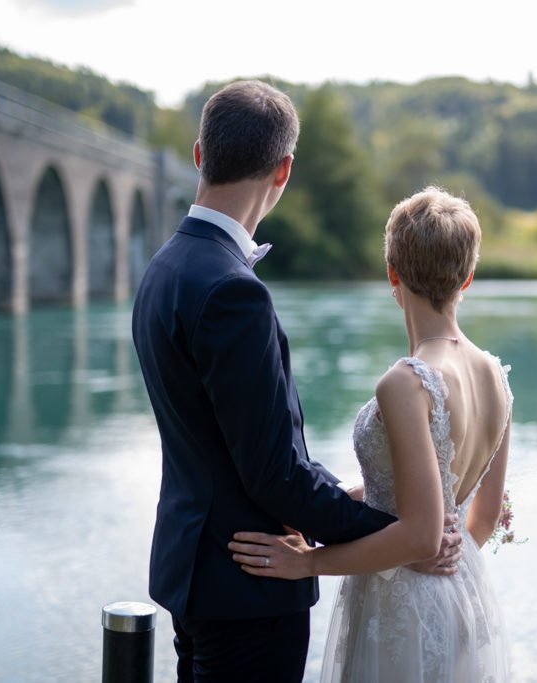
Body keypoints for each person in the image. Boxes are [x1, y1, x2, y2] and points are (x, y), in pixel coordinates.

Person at [131, 81, 461, 682]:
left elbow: (231, 447)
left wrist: (365, 503)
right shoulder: (234, 291)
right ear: (283, 170)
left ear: (200, 154)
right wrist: (407, 537)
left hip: (194, 573)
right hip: (250, 586)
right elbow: (275, 474)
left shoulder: (164, 267)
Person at [230, 186, 514, 681]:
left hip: (402, 606)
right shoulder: (495, 375)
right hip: (465, 598)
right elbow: (481, 520)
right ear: (467, 278)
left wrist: (308, 564)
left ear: (392, 274)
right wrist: (435, 543)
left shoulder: (406, 383)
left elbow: (421, 535)